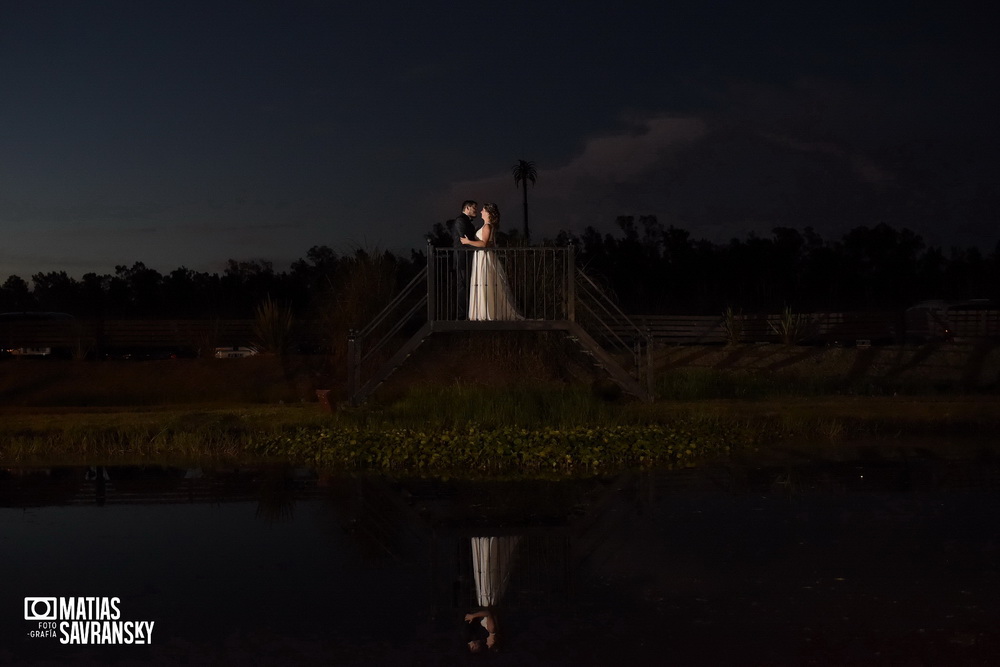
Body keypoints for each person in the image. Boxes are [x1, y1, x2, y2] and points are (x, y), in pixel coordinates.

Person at [460, 202, 522, 321]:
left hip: (484, 257)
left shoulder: (487, 226)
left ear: (488, 213)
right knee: (483, 282)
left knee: (484, 282)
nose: (481, 212)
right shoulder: (488, 226)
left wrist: (468, 242)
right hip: (482, 256)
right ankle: (482, 312)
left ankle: (485, 314)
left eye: (483, 210)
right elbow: (489, 243)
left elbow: (483, 244)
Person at [450, 200, 479, 320]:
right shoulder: (461, 220)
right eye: (474, 208)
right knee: (462, 286)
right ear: (467, 208)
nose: (476, 211)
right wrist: (479, 245)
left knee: (466, 286)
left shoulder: (467, 222)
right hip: (462, 258)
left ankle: (468, 312)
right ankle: (461, 315)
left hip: (467, 257)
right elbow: (463, 240)